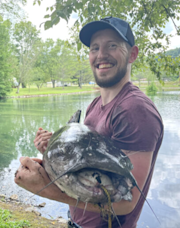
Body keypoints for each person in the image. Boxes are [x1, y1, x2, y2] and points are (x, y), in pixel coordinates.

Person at [14, 16, 164, 228]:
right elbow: (83, 160)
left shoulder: (135, 110)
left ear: (132, 54)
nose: (101, 55)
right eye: (95, 48)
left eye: (112, 46)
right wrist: (50, 151)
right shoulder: (95, 104)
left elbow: (126, 202)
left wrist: (47, 189)